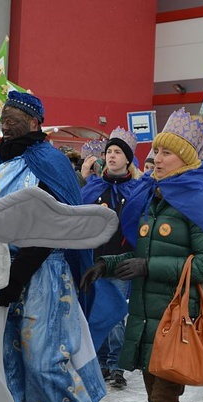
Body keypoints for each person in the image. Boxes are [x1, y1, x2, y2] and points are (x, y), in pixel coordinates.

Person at [81, 108, 203, 402]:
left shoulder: (201, 200)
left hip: (176, 318)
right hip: (149, 316)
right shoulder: (155, 196)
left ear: (185, 159)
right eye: (155, 154)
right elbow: (141, 252)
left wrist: (149, 266)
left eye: (164, 154)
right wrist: (107, 264)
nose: (155, 160)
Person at [0, 90, 104, 402]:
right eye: (4, 117)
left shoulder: (51, 162)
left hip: (41, 267)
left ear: (34, 122)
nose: (6, 123)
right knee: (1, 357)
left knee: (44, 356)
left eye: (14, 117)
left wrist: (19, 275)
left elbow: (55, 222)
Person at [81, 126, 140, 388]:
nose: (112, 155)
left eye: (118, 152)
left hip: (121, 258)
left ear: (128, 159)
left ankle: (117, 364)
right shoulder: (94, 187)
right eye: (109, 151)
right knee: (96, 311)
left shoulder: (137, 190)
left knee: (116, 315)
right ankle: (101, 361)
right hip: (95, 259)